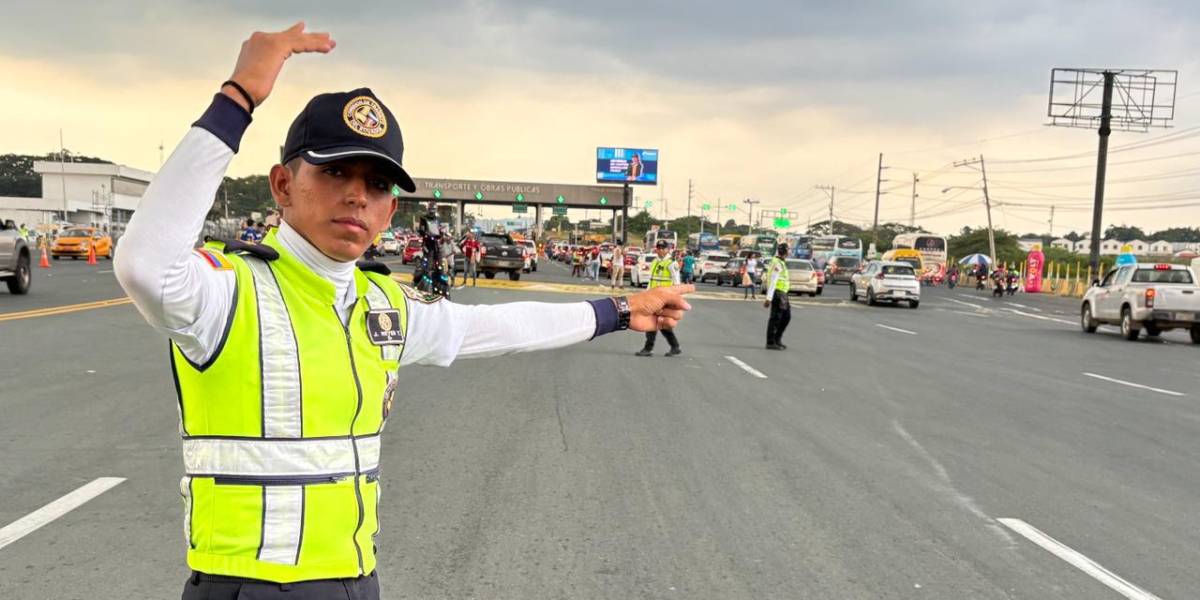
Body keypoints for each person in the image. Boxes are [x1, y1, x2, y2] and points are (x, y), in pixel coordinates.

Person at [112, 24, 694, 600]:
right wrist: (238, 97)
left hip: (355, 580)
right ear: (283, 185)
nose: (358, 195)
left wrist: (619, 309)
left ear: (391, 212)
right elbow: (146, 264)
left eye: (379, 183)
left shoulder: (383, 303)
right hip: (248, 586)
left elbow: (494, 326)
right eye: (336, 171)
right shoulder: (227, 291)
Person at [636, 240, 682, 357]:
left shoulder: (672, 263)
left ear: (668, 249)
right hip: (653, 297)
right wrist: (646, 294)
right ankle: (674, 346)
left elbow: (677, 282)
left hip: (665, 298)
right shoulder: (655, 261)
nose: (660, 250)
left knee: (655, 322)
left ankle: (649, 348)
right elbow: (651, 280)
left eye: (663, 248)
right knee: (655, 322)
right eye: (659, 248)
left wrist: (675, 299)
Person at [762, 243, 791, 350]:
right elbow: (773, 280)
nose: (790, 252)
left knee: (786, 317)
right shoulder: (777, 263)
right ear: (785, 251)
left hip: (783, 293)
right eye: (789, 250)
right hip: (777, 293)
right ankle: (770, 342)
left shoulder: (781, 262)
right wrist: (768, 298)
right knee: (776, 318)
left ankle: (777, 339)